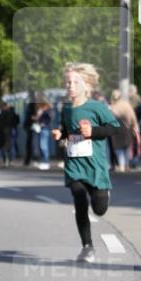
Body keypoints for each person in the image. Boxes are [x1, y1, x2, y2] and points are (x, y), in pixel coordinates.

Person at [52, 62, 119, 263]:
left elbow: (114, 127)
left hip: (95, 165)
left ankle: (103, 193)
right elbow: (66, 130)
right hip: (74, 164)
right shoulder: (65, 109)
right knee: (79, 197)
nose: (70, 86)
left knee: (99, 209)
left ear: (87, 84)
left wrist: (94, 132)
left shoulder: (97, 107)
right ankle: (87, 247)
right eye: (67, 82)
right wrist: (60, 134)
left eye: (74, 82)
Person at [109, 89, 138, 172]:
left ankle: (121, 165)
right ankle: (126, 165)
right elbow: (132, 116)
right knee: (126, 147)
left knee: (118, 148)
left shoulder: (112, 106)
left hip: (116, 128)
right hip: (126, 128)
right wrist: (134, 125)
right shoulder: (126, 104)